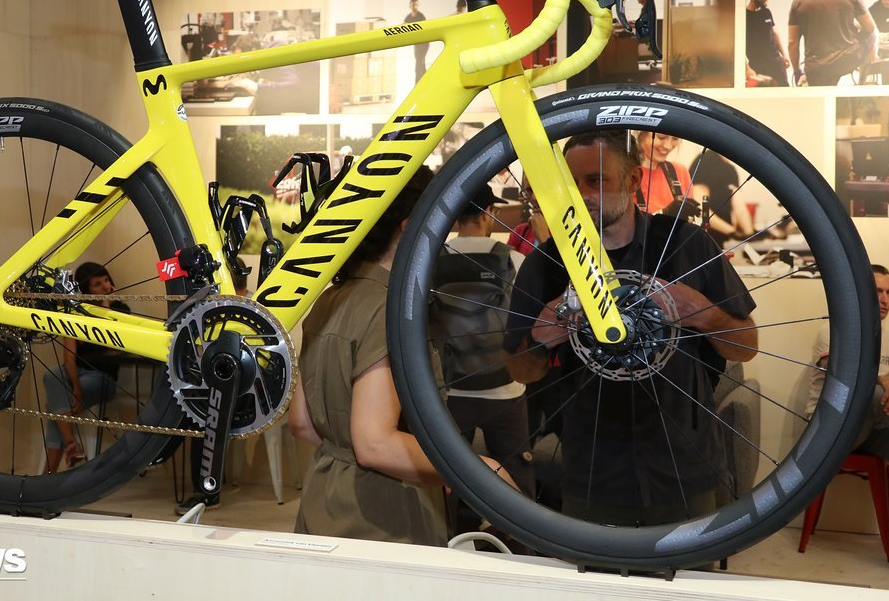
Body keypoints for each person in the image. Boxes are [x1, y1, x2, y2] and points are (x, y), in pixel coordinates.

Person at [504, 130, 757, 525]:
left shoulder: (686, 245)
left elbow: (746, 345)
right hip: (593, 470)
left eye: (596, 180)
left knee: (683, 584)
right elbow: (519, 370)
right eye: (571, 183)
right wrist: (542, 335)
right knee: (596, 585)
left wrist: (704, 314)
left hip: (683, 466)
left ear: (634, 180)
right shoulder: (548, 261)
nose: (583, 194)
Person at [289, 167, 514, 545]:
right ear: (411, 227)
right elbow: (374, 443)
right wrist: (475, 470)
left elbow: (302, 423)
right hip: (385, 519)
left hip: (324, 504)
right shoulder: (388, 309)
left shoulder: (330, 299)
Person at [806, 265, 889, 581]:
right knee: (872, 392)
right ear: (862, 293)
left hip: (871, 432)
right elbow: (845, 372)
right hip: (828, 431)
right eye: (878, 291)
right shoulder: (833, 330)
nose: (885, 299)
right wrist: (885, 381)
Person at [436, 184, 535, 496]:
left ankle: (450, 536)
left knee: (446, 477)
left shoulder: (433, 260)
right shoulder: (514, 261)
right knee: (516, 481)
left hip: (450, 391)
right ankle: (518, 541)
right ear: (487, 214)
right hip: (505, 390)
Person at [175, 258, 251, 514]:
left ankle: (207, 492)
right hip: (234, 387)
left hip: (245, 393)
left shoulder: (231, 311)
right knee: (190, 402)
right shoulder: (242, 307)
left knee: (200, 413)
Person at [43, 261, 131, 474]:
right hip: (77, 375)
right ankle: (71, 445)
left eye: (106, 280)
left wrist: (107, 307)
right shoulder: (78, 314)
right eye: (97, 285)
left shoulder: (121, 310)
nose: (105, 287)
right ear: (86, 291)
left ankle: (51, 471)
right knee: (51, 375)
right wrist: (76, 388)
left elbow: (115, 343)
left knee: (55, 410)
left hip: (102, 377)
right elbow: (69, 357)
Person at [787, 0, 877, 86]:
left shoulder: (799, 0)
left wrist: (797, 71)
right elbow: (870, 28)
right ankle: (863, 82)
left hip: (816, 66)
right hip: (847, 60)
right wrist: (855, 26)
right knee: (873, 35)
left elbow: (792, 42)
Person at [689, 150, 755, 248]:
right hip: (705, 236)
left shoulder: (731, 169)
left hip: (724, 237)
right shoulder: (704, 162)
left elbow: (739, 206)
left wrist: (750, 235)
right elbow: (701, 208)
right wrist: (732, 232)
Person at [635, 131, 698, 219]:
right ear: (641, 133)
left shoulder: (679, 171)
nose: (668, 146)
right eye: (661, 137)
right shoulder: (628, 175)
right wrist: (665, 212)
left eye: (675, 139)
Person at [745, 0, 790, 87]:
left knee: (785, 91)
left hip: (775, 61)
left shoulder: (766, 12)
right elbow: (737, 44)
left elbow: (774, 33)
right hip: (757, 65)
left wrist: (784, 55)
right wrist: (747, 68)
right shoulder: (743, 15)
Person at [404, 0, 429, 83]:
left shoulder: (421, 16)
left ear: (418, 6)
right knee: (420, 62)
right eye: (413, 5)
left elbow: (424, 29)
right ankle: (426, 79)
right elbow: (403, 26)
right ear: (410, 6)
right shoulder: (408, 17)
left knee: (419, 61)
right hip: (417, 43)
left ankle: (417, 82)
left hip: (424, 43)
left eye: (416, 5)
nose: (414, 7)